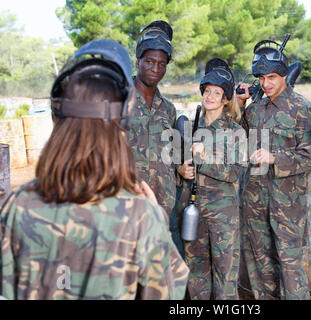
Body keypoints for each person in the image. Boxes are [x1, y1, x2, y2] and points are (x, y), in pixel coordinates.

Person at [0, 39, 189, 300]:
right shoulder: (140, 216)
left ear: (58, 114)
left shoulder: (17, 206)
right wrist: (157, 220)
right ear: (122, 120)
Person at [236, 38, 311, 300]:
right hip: (255, 200)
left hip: (288, 204)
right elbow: (237, 143)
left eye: (271, 77)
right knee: (260, 264)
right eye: (261, 78)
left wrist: (276, 157)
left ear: (284, 75)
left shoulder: (302, 109)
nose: (266, 83)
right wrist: (238, 105)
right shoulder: (255, 110)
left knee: (290, 265)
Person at [177, 58, 247, 300]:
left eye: (217, 93)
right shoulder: (190, 128)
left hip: (222, 214)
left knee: (225, 273)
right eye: (207, 91)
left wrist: (205, 158)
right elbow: (180, 163)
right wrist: (181, 171)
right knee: (196, 272)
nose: (210, 97)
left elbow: (235, 172)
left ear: (226, 99)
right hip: (192, 209)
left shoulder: (235, 132)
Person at [127, 20, 178, 216]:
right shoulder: (118, 102)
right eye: (149, 62)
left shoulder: (168, 109)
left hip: (162, 206)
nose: (155, 69)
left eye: (161, 64)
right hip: (127, 203)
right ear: (138, 62)